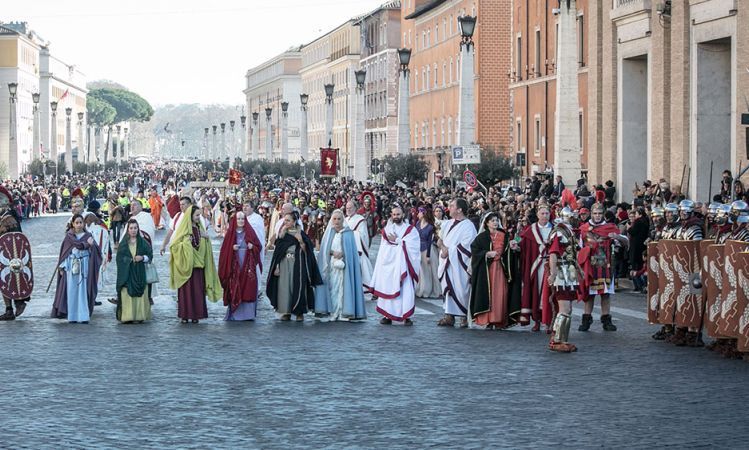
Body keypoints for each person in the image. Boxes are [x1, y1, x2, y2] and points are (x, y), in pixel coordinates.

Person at [578, 203, 628, 332]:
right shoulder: (584, 229)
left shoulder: (610, 227)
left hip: (606, 265)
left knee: (605, 294)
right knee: (589, 295)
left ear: (603, 214)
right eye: (595, 213)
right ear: (591, 213)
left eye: (600, 213)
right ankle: (586, 319)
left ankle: (606, 320)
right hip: (590, 266)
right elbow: (578, 248)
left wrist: (616, 237)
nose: (597, 216)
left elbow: (625, 242)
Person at [168, 205, 222, 324]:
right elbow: (174, 246)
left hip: (198, 266)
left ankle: (196, 314)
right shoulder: (183, 230)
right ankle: (185, 315)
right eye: (197, 215)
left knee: (197, 291)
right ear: (190, 216)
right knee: (186, 292)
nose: (199, 217)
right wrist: (186, 244)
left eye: (199, 215)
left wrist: (205, 238)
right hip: (186, 267)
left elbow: (202, 245)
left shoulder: (199, 229)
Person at [266, 211, 322, 321]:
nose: (285, 222)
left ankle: (299, 312)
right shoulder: (282, 234)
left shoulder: (301, 233)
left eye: (288, 220)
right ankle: (285, 311)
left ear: (294, 221)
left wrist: (300, 241)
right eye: (284, 220)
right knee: (284, 287)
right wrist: (276, 267)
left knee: (297, 286)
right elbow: (277, 253)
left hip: (297, 264)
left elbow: (308, 250)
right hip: (284, 264)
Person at [370, 204, 420, 325]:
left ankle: (406, 316)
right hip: (389, 266)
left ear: (402, 214)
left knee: (406, 290)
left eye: (398, 214)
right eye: (394, 214)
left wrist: (398, 241)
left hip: (404, 266)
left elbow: (413, 246)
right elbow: (383, 249)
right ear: (391, 216)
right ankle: (387, 315)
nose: (396, 216)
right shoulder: (387, 230)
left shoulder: (410, 230)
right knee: (388, 288)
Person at [314, 209, 367, 321]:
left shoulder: (348, 234)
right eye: (334, 219)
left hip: (344, 267)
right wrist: (333, 253)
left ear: (343, 220)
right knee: (332, 288)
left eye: (339, 219)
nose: (337, 221)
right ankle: (332, 310)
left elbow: (352, 252)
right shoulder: (329, 234)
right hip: (331, 267)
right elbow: (324, 251)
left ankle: (343, 311)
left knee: (343, 288)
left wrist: (344, 254)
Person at [51, 213, 103, 323]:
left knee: (83, 291)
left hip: (84, 266)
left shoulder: (88, 235)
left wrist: (92, 246)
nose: (79, 225)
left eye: (81, 222)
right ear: (73, 224)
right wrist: (62, 267)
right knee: (72, 291)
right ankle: (73, 316)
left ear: (83, 223)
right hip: (72, 266)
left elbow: (96, 251)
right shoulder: (69, 237)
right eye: (77, 223)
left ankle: (83, 316)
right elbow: (64, 252)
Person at [437, 198, 477, 327]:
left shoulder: (468, 226)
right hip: (447, 262)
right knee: (448, 288)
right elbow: (440, 239)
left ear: (460, 209)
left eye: (452, 205)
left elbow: (467, 246)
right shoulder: (447, 223)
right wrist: (442, 247)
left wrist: (448, 251)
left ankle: (465, 316)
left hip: (459, 264)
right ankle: (449, 315)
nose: (450, 207)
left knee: (461, 288)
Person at [470, 212, 514, 329]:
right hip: (487, 270)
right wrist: (486, 253)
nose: (495, 222)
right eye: (492, 220)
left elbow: (510, 248)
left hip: (501, 268)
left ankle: (499, 320)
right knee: (489, 293)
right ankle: (488, 319)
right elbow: (475, 251)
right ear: (487, 223)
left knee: (500, 293)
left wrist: (514, 246)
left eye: (496, 220)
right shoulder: (481, 237)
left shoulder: (504, 235)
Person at [547, 207, 582, 352]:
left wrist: (580, 270)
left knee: (569, 309)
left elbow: (573, 255)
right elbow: (553, 254)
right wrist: (553, 273)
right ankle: (556, 340)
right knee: (564, 308)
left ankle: (564, 339)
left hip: (570, 272)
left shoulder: (569, 232)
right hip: (562, 273)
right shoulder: (559, 232)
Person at [218, 212, 262, 321]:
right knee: (235, 285)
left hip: (247, 264)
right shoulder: (230, 233)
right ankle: (235, 313)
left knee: (248, 286)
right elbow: (224, 250)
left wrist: (252, 247)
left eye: (243, 219)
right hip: (235, 264)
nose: (241, 221)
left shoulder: (250, 232)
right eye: (239, 219)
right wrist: (231, 248)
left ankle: (248, 314)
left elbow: (258, 246)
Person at [519, 205, 553, 330]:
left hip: (551, 266)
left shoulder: (555, 230)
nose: (545, 216)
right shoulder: (530, 230)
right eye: (542, 213)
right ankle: (537, 320)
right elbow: (522, 245)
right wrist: (516, 247)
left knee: (550, 294)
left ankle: (550, 322)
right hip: (535, 267)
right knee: (535, 292)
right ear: (538, 215)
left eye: (547, 213)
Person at [0, 186, 31, 321]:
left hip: (10, 255)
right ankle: (9, 310)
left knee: (10, 278)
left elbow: (14, 239)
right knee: (3, 280)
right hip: (3, 254)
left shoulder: (9, 218)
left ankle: (18, 302)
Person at [115, 219, 152, 323]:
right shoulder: (123, 244)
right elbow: (119, 258)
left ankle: (139, 316)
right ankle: (128, 316)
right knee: (127, 292)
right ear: (128, 230)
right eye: (131, 228)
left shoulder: (143, 242)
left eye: (135, 228)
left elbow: (150, 255)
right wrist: (128, 260)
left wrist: (142, 258)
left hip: (139, 273)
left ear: (138, 229)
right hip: (127, 274)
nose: (133, 230)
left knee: (140, 293)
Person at [344, 199, 373, 290]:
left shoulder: (360, 219)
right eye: (347, 208)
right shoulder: (345, 219)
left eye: (350, 208)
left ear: (355, 208)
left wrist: (350, 235)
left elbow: (363, 235)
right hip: (345, 249)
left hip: (357, 250)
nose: (348, 210)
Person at [415, 206, 441, 299]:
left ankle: (427, 290)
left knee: (428, 271)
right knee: (420, 271)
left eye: (419, 212)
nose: (418, 214)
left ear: (424, 213)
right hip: (419, 249)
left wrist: (428, 255)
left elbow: (429, 241)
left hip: (427, 250)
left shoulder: (430, 227)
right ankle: (420, 289)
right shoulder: (417, 224)